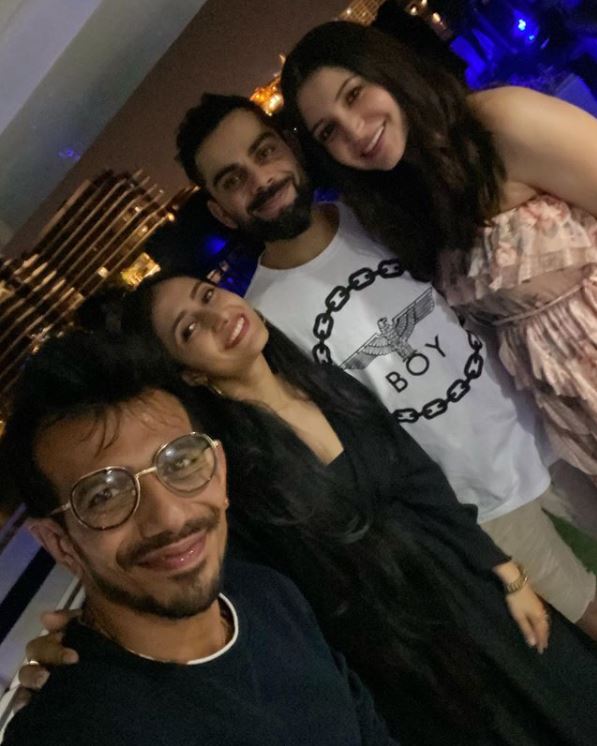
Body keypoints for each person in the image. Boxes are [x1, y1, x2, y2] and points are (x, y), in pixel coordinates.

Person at [15, 277, 597, 745]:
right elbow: (198, 583)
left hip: (462, 586)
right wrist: (98, 644)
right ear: (189, 372)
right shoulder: (226, 469)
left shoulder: (320, 381)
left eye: (208, 295)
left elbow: (421, 481)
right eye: (190, 328)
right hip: (405, 654)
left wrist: (503, 570)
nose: (217, 318)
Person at [172, 92, 597, 633]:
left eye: (265, 151)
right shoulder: (259, 322)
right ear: (219, 209)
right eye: (233, 179)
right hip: (484, 510)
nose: (261, 179)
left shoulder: (382, 214)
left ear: (291, 147)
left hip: (554, 430)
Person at [1, 329, 396, 746]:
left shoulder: (269, 594)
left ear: (220, 471)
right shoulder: (70, 731)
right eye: (105, 495)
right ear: (60, 543)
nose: (169, 517)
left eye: (181, 461)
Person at [280, 20, 597, 484]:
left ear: (389, 72)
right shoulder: (406, 201)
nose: (354, 129)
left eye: (354, 94)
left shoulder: (501, 123)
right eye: (328, 131)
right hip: (575, 410)